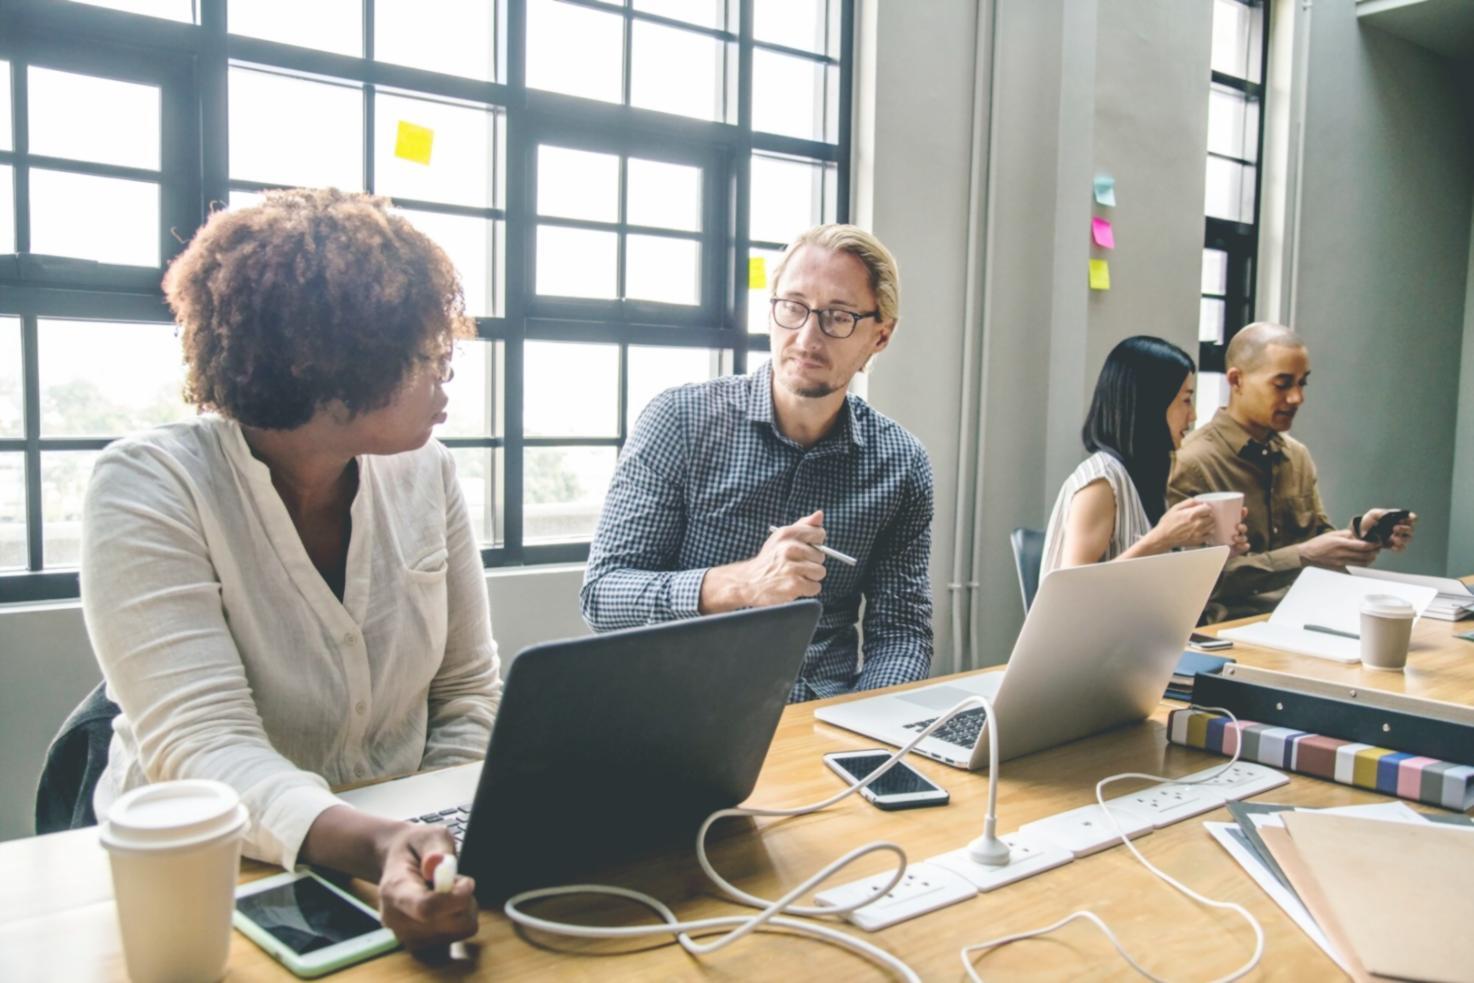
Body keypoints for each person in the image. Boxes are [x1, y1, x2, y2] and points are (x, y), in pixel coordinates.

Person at [81, 189, 498, 947]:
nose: (446, 378)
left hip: (405, 861)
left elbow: (467, 689)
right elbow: (203, 747)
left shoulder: (428, 472)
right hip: (200, 886)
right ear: (335, 367)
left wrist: (437, 837)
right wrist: (378, 842)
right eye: (427, 355)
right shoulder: (148, 487)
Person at [580, 224, 933, 701]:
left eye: (839, 316)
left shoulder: (902, 464)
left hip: (822, 720)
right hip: (684, 713)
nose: (808, 336)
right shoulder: (680, 422)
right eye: (793, 307)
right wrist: (744, 582)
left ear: (881, 336)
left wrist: (864, 729)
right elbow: (604, 596)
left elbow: (903, 633)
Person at [1168, 322, 1416, 620]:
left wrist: (1361, 534)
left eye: (1302, 383)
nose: (1297, 397)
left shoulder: (1296, 456)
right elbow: (1199, 581)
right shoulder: (1191, 463)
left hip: (1306, 617)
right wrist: (1303, 555)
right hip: (1232, 630)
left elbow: (1318, 537)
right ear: (1236, 381)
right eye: (1282, 383)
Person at [1042, 336, 1247, 576]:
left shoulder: (1146, 472)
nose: (1193, 415)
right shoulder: (1101, 483)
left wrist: (1215, 550)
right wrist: (1161, 539)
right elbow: (1070, 591)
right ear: (1151, 404)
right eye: (1186, 400)